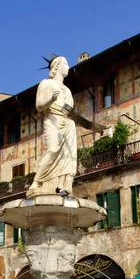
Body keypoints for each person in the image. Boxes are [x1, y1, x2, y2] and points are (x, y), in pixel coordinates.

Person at [27, 56, 106, 198]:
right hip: (53, 121)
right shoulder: (46, 83)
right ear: (56, 66)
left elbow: (71, 114)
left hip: (68, 124)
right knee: (52, 150)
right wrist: (51, 99)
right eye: (66, 64)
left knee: (68, 156)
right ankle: (36, 183)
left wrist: (96, 128)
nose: (68, 67)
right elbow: (39, 106)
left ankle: (62, 185)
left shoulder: (68, 91)